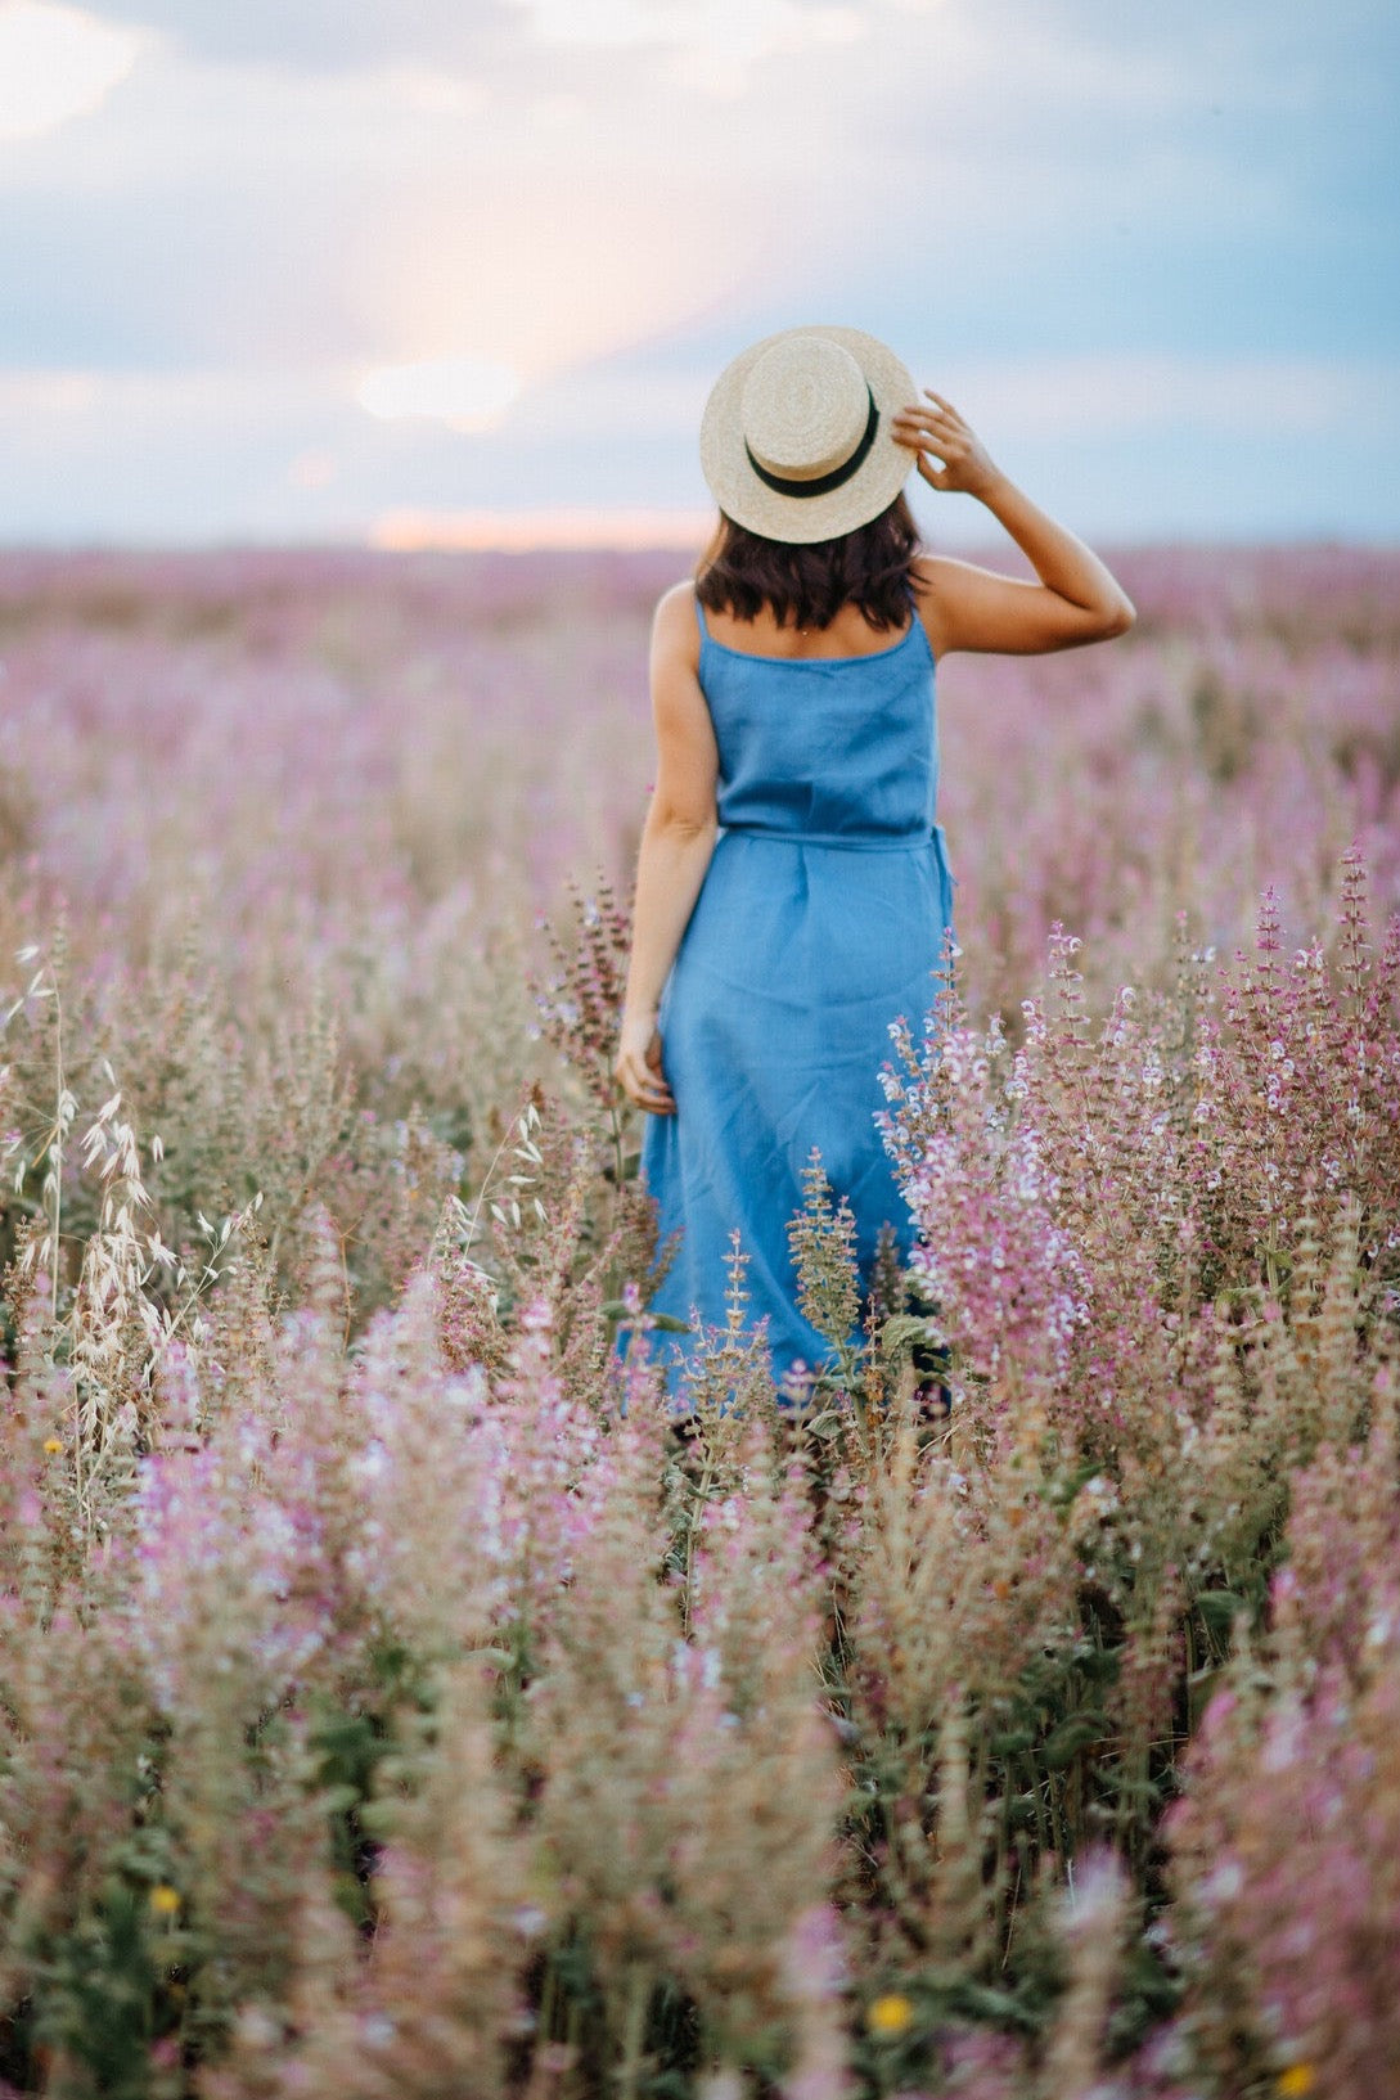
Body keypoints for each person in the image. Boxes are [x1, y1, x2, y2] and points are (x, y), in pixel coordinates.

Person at [612, 325, 1134, 1405]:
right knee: (892, 1177)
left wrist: (636, 1006)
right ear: (878, 472)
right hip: (881, 929)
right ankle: (899, 1416)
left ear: (745, 482)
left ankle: (731, 1435)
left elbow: (678, 824)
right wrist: (986, 481)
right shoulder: (920, 599)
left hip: (735, 940)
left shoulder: (689, 617)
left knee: (737, 1200)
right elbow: (1101, 609)